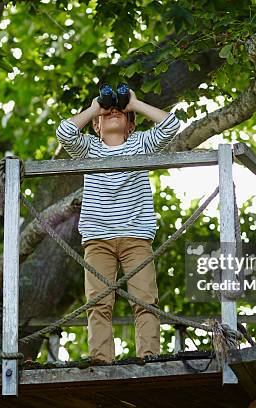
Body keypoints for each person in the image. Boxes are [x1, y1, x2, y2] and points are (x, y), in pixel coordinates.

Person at [56, 87, 181, 363]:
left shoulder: (141, 144)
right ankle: (101, 358)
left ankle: (150, 356)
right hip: (97, 239)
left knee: (145, 300)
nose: (113, 114)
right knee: (98, 303)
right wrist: (94, 108)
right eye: (106, 114)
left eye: (120, 113)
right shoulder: (89, 149)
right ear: (96, 127)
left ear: (131, 124)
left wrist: (134, 103)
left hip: (136, 237)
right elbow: (64, 133)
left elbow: (172, 125)